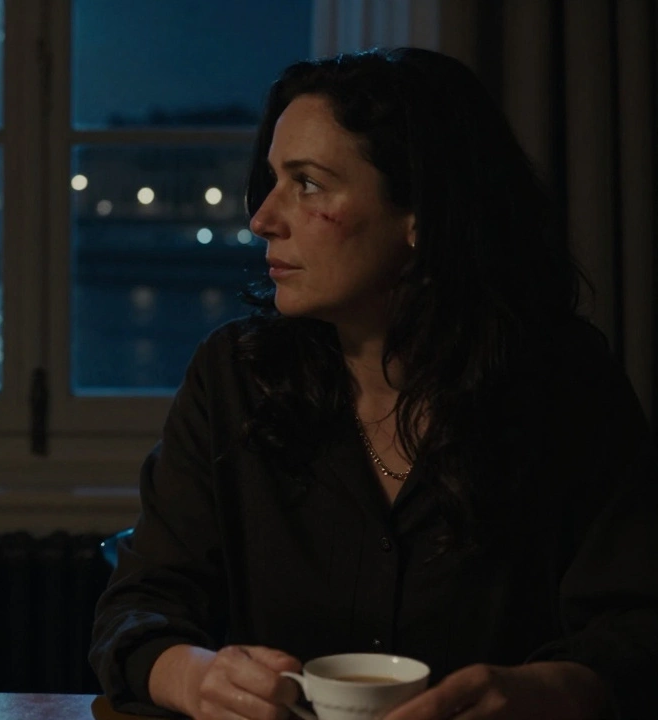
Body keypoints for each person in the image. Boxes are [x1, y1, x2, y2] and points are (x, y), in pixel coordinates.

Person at [90, 47, 657, 720]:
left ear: (422, 213)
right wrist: (194, 676)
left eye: (308, 184)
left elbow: (640, 629)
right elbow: (137, 608)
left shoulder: (563, 385)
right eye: (272, 179)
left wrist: (548, 689)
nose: (263, 218)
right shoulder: (233, 379)